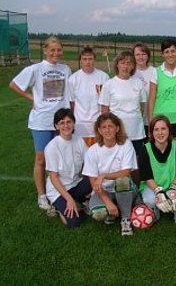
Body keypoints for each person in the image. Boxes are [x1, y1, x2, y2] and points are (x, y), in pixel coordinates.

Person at [9, 36, 71, 213]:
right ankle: (42, 195)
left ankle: (60, 191)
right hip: (41, 121)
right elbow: (14, 84)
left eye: (58, 50)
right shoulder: (35, 69)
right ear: (45, 50)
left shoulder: (65, 69)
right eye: (52, 50)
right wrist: (31, 98)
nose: (55, 53)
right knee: (41, 158)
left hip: (61, 122)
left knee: (60, 158)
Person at [82, 113, 137, 236]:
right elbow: (93, 183)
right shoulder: (92, 151)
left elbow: (126, 172)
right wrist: (107, 201)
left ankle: (125, 219)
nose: (107, 130)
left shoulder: (126, 144)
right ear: (99, 131)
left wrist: (104, 175)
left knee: (122, 180)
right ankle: (112, 210)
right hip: (104, 191)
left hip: (123, 187)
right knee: (98, 214)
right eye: (104, 127)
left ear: (117, 128)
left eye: (110, 126)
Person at [138, 115, 176, 225]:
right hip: (153, 186)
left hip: (174, 183)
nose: (160, 133)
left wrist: (173, 188)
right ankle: (155, 212)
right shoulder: (145, 149)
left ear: (169, 130)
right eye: (156, 129)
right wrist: (158, 191)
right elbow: (147, 176)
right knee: (150, 200)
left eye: (163, 129)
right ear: (151, 133)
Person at [45, 108, 92, 228]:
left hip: (74, 184)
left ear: (73, 123)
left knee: (94, 178)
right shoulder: (52, 147)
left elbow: (90, 163)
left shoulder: (79, 140)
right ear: (56, 126)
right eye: (62, 123)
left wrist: (95, 189)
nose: (66, 125)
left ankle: (80, 201)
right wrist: (69, 200)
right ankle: (58, 206)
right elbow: (54, 178)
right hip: (58, 190)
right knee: (74, 222)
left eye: (68, 122)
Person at [99, 50, 147, 156]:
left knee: (136, 165)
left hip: (136, 133)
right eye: (123, 63)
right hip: (118, 133)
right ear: (117, 65)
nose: (126, 66)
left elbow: (142, 107)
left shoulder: (138, 83)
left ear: (133, 66)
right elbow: (104, 111)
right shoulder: (109, 84)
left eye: (129, 63)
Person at [69, 46, 110, 146]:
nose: (88, 62)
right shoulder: (73, 79)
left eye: (90, 59)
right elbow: (71, 103)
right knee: (80, 158)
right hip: (80, 126)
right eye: (84, 59)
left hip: (98, 125)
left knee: (98, 157)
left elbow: (107, 104)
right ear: (80, 61)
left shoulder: (104, 77)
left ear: (94, 60)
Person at [132, 42, 154, 138]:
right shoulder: (129, 73)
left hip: (151, 118)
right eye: (137, 54)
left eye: (143, 54)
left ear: (148, 56)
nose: (141, 57)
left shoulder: (155, 72)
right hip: (135, 118)